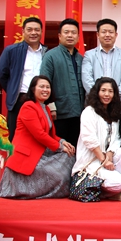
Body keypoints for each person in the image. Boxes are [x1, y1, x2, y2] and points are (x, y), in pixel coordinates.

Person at [0, 76, 76, 199]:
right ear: (33, 89)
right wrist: (60, 147)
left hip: (41, 151)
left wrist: (63, 142)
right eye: (41, 86)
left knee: (69, 156)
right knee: (58, 174)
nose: (45, 90)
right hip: (27, 155)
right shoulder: (28, 106)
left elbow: (52, 135)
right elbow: (39, 134)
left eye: (48, 87)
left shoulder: (46, 108)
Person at [71, 77, 121, 201]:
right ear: (97, 92)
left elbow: (117, 139)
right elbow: (89, 139)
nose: (107, 94)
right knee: (118, 182)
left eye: (110, 91)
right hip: (92, 160)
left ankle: (117, 191)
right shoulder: (89, 112)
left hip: (106, 158)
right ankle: (110, 191)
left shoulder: (113, 113)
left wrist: (110, 153)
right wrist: (103, 159)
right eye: (103, 90)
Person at [0, 17, 47, 140]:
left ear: (41, 32)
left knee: (39, 135)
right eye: (29, 30)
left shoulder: (47, 53)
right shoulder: (11, 50)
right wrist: (13, 90)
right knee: (16, 137)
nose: (33, 33)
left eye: (37, 30)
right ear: (23, 32)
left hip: (41, 101)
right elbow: (2, 74)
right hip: (19, 99)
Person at [40, 18, 85, 147]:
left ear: (78, 36)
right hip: (59, 113)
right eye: (66, 32)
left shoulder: (81, 58)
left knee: (77, 148)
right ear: (59, 36)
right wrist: (51, 107)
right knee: (60, 148)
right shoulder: (50, 56)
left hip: (79, 112)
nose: (70, 35)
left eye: (73, 32)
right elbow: (44, 82)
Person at [82, 18, 121, 113]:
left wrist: (114, 97)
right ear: (97, 34)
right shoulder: (89, 55)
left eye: (111, 32)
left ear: (116, 35)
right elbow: (87, 79)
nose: (107, 35)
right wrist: (99, 97)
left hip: (118, 106)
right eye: (104, 32)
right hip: (95, 106)